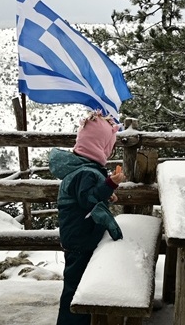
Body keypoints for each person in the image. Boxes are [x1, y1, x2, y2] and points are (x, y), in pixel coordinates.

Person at [48, 111, 127, 325]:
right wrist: (110, 184)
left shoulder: (83, 170)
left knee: (79, 284)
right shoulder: (86, 173)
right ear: (100, 146)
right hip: (80, 240)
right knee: (76, 288)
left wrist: (105, 192)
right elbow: (88, 199)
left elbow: (87, 198)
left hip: (78, 236)